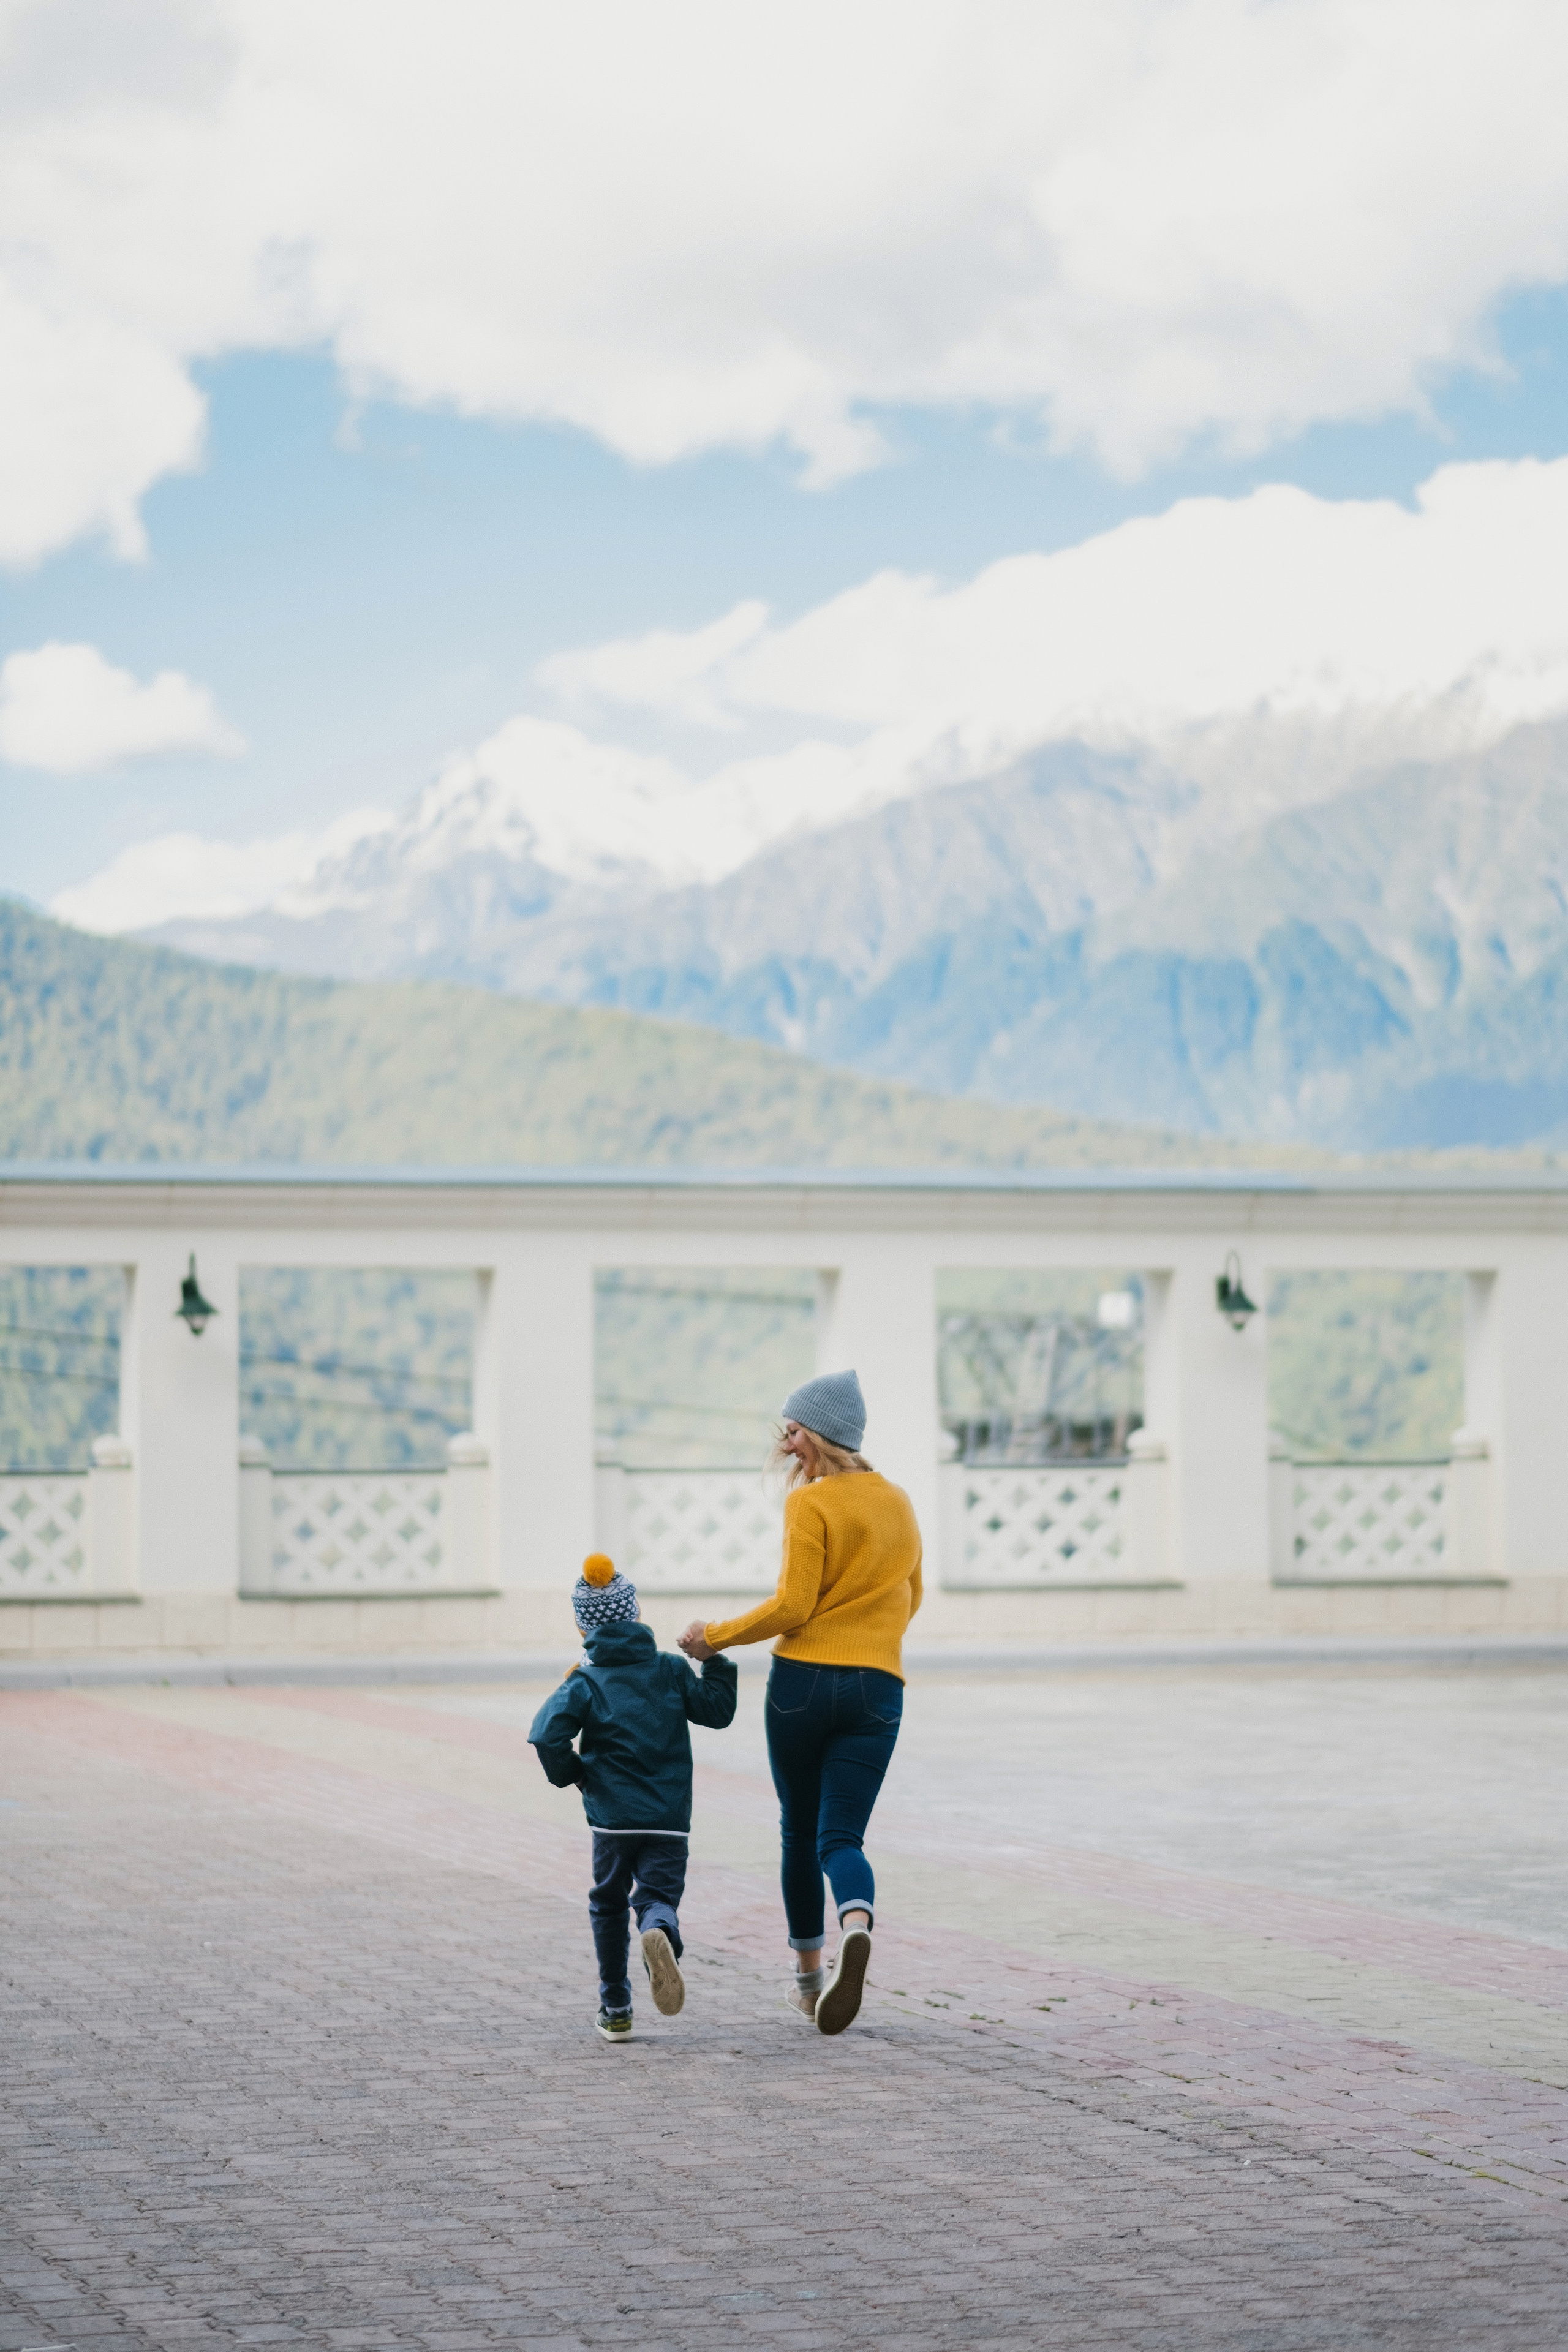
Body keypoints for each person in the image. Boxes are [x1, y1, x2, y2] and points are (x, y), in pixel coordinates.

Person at [679, 1368, 922, 2037]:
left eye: (793, 1431)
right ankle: (856, 1923)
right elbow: (913, 1595)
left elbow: (793, 1605)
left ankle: (811, 1982)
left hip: (803, 1684)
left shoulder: (809, 1505)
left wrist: (713, 1638)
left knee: (797, 1829)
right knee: (841, 1837)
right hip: (879, 1685)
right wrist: (871, 1644)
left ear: (819, 1433)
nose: (787, 1447)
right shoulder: (898, 1502)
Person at [530, 1553, 738, 2041]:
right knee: (658, 1896)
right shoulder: (669, 1670)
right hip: (668, 1816)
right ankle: (660, 1931)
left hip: (611, 1818)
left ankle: (617, 2008)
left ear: (584, 1629)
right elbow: (717, 1711)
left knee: (607, 1902)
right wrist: (715, 1660)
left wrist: (576, 1775)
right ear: (637, 1615)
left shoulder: (584, 1680)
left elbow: (545, 1736)